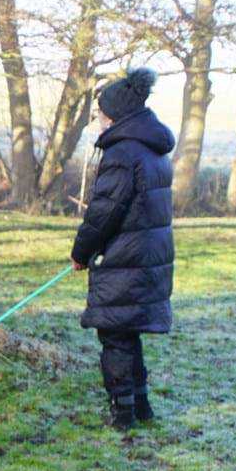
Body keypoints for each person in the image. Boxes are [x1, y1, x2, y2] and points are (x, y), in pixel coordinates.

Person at [72, 66, 174, 429]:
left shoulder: (122, 152)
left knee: (114, 334)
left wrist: (80, 253)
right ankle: (142, 406)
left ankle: (123, 414)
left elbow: (104, 212)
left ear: (114, 115)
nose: (99, 122)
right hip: (148, 258)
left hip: (124, 259)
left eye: (100, 114)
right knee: (127, 333)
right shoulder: (153, 147)